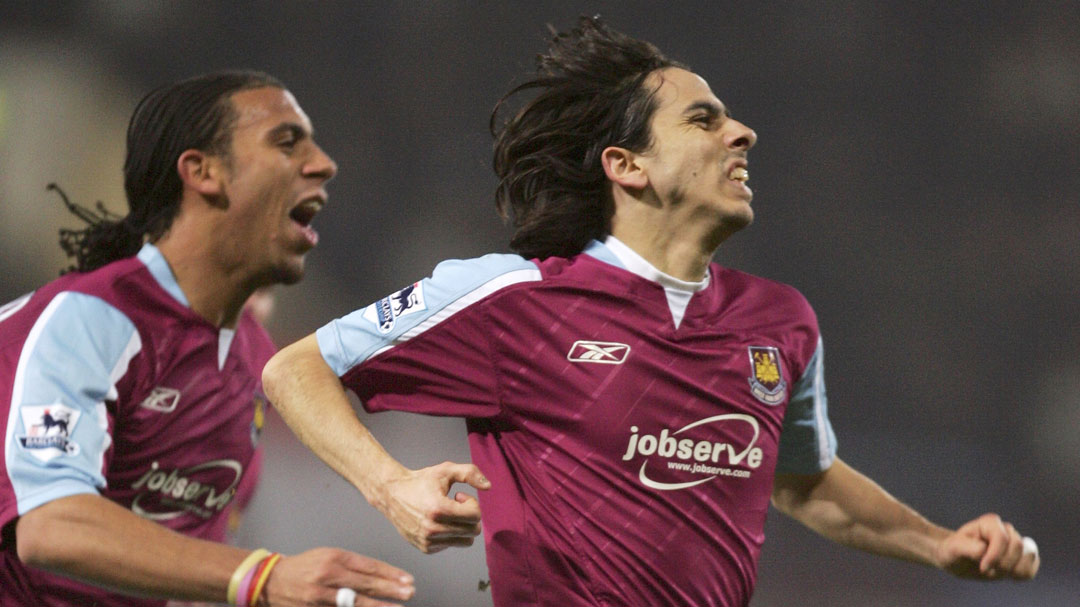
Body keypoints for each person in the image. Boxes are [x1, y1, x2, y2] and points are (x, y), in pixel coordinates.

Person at [261, 17, 1039, 607]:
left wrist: (941, 544)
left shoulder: (781, 321)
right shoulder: (515, 296)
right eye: (703, 119)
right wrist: (389, 484)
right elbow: (295, 367)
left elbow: (804, 481)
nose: (742, 133)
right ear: (625, 166)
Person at [0, 71, 416, 607]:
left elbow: (185, 577)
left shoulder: (252, 364)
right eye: (287, 141)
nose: (323, 163)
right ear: (203, 172)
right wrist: (265, 577)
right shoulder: (91, 320)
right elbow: (51, 525)